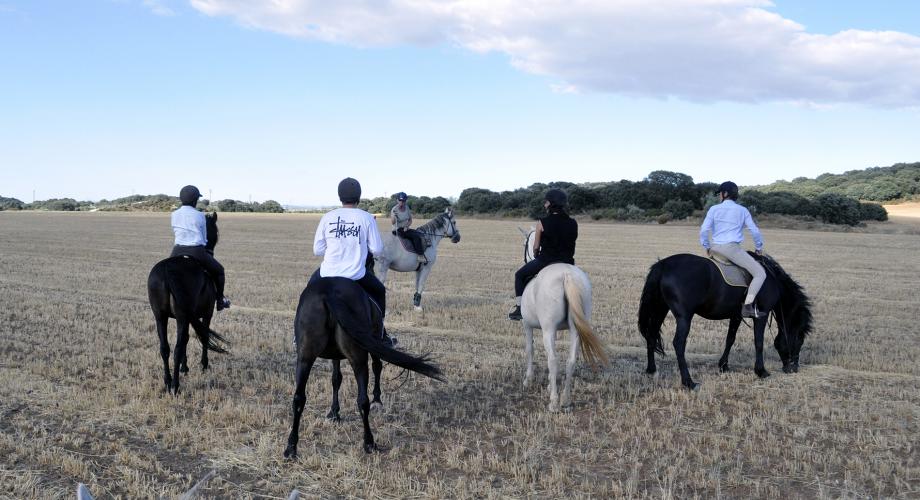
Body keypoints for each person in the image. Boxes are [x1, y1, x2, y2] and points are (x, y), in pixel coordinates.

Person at [312, 178, 395, 345]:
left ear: (340, 196)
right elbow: (377, 249)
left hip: (327, 273)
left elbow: (317, 250)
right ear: (359, 196)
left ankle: (297, 335)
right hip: (356, 275)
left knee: (308, 292)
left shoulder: (327, 217)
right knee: (379, 291)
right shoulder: (367, 218)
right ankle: (382, 334)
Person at [700, 181, 767, 318]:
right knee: (760, 274)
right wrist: (758, 247)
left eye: (720, 194)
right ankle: (748, 307)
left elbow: (704, 230)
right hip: (732, 250)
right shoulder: (743, 210)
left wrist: (706, 246)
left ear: (725, 194)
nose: (719, 196)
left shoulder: (713, 209)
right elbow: (754, 231)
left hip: (715, 249)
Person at [508, 188, 578, 321]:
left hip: (546, 260)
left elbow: (535, 247)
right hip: (568, 262)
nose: (544, 204)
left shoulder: (541, 223)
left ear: (551, 204)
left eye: (546, 202)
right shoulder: (573, 223)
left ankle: (519, 309)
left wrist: (536, 254)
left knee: (519, 275)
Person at [170, 185, 231, 310]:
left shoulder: (174, 214)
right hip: (196, 251)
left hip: (176, 250)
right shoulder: (200, 215)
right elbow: (204, 239)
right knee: (220, 271)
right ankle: (220, 300)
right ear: (195, 200)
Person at [390, 192, 426, 263]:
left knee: (418, 233)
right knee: (416, 237)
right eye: (400, 200)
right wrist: (394, 216)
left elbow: (410, 220)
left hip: (405, 228)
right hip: (397, 229)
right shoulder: (394, 209)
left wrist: (407, 226)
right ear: (397, 200)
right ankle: (420, 256)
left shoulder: (407, 208)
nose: (402, 202)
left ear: (405, 201)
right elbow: (393, 223)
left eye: (403, 201)